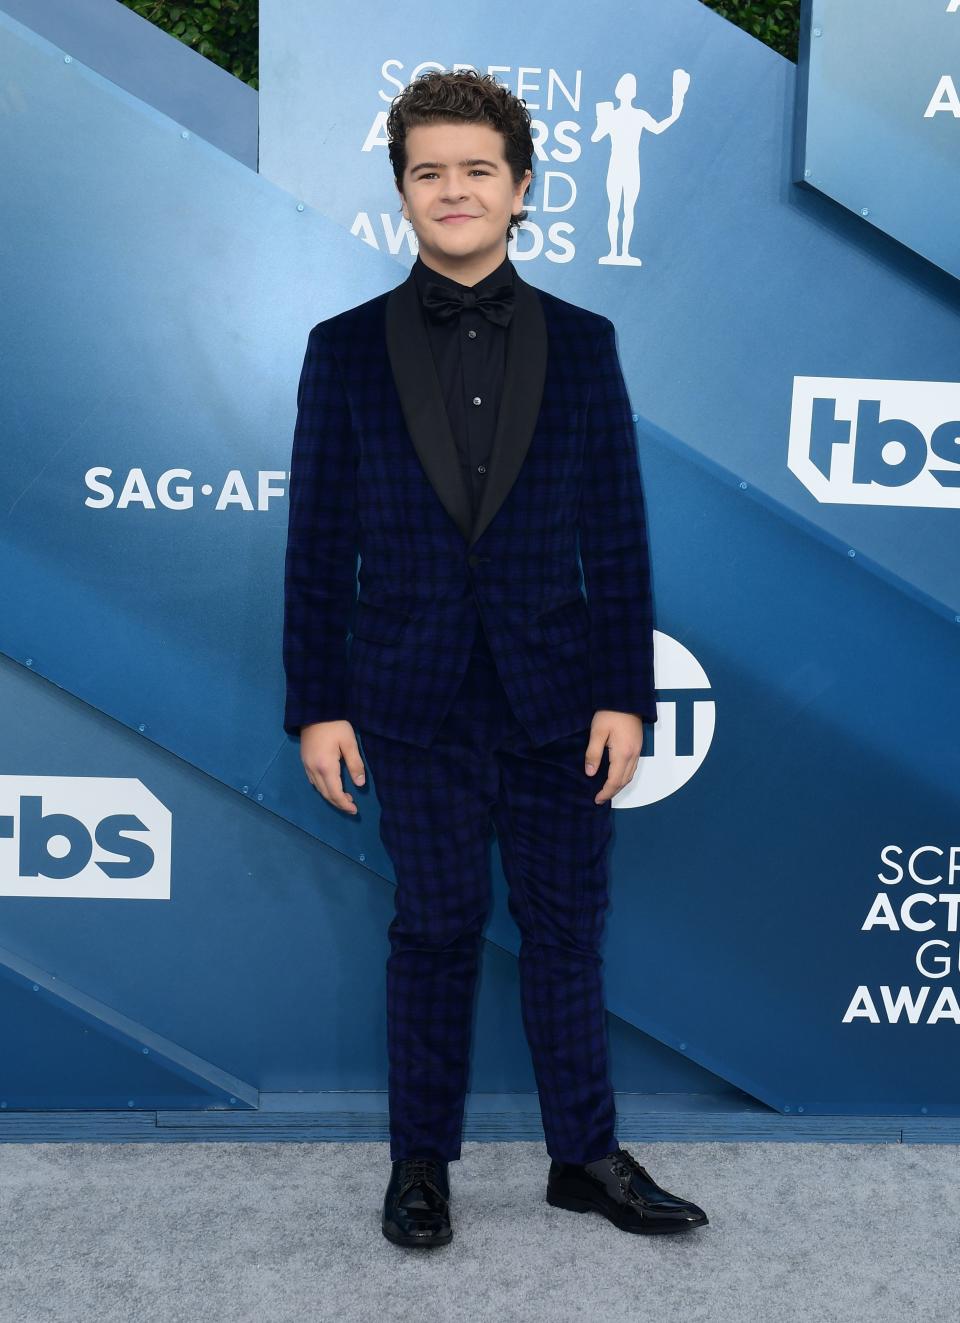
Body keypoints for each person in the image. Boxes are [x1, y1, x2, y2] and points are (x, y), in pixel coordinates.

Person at [282, 68, 708, 1247]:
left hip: (560, 698)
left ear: (521, 189)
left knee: (569, 929)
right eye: (430, 172)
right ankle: (420, 1161)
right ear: (402, 194)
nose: (454, 189)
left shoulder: (585, 344)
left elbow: (616, 532)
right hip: (408, 701)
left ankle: (585, 1156)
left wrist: (627, 691)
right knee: (435, 928)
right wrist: (318, 703)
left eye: (479, 170)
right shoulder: (343, 350)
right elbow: (316, 543)